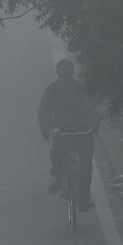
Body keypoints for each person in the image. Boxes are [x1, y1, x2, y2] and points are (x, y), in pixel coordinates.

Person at [38, 58, 98, 209]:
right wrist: (47, 128)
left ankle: (83, 199)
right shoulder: (52, 90)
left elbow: (91, 109)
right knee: (56, 153)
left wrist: (93, 125)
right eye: (62, 70)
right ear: (57, 73)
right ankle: (59, 178)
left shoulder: (80, 89)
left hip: (81, 132)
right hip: (62, 132)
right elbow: (44, 112)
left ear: (72, 73)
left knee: (85, 166)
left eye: (68, 70)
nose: (65, 73)